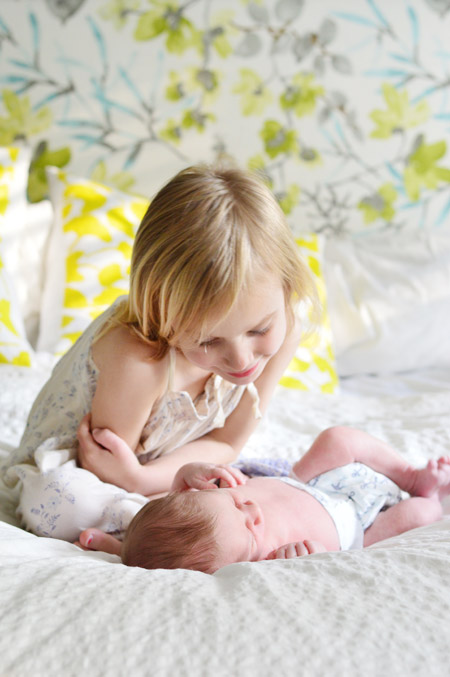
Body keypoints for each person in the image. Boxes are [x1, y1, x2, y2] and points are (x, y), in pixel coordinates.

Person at [2, 164, 317, 543]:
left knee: (249, 491)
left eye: (259, 330)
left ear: (288, 285)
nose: (241, 360)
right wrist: (137, 479)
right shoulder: (138, 361)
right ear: (160, 312)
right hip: (86, 468)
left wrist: (143, 479)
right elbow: (104, 468)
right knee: (62, 502)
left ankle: (169, 521)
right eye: (208, 341)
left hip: (158, 469)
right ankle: (134, 540)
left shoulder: (287, 330)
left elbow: (228, 443)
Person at [120, 426, 450, 573]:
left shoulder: (202, 505)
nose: (251, 509)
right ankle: (427, 494)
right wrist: (308, 556)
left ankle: (409, 474)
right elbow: (318, 569)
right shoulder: (267, 562)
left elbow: (178, 505)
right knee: (421, 513)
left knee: (338, 438)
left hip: (307, 479)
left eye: (234, 501)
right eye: (250, 531)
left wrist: (189, 471)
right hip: (357, 528)